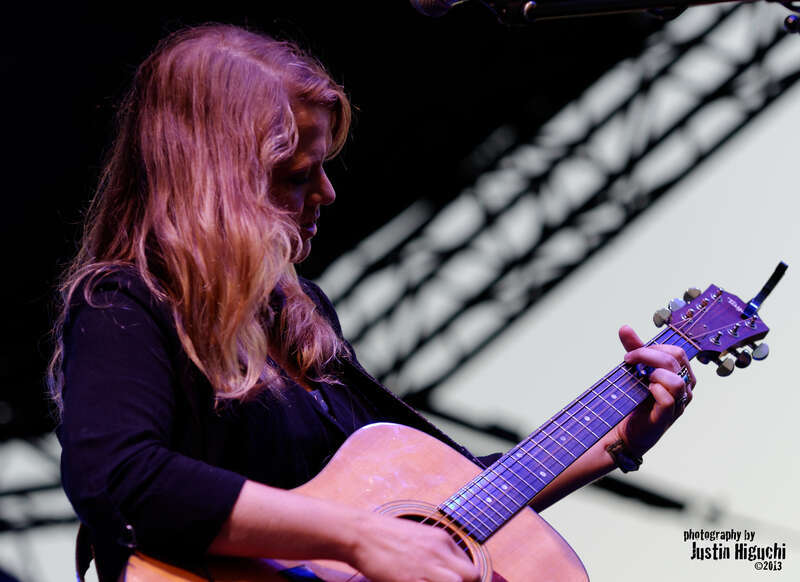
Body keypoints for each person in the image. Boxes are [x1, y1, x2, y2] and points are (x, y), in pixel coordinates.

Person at [49, 24, 696, 582]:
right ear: (218, 182)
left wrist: (616, 441)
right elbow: (117, 475)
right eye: (296, 174)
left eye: (323, 166)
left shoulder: (299, 320)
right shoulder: (123, 302)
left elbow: (443, 510)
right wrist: (358, 538)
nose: (327, 192)